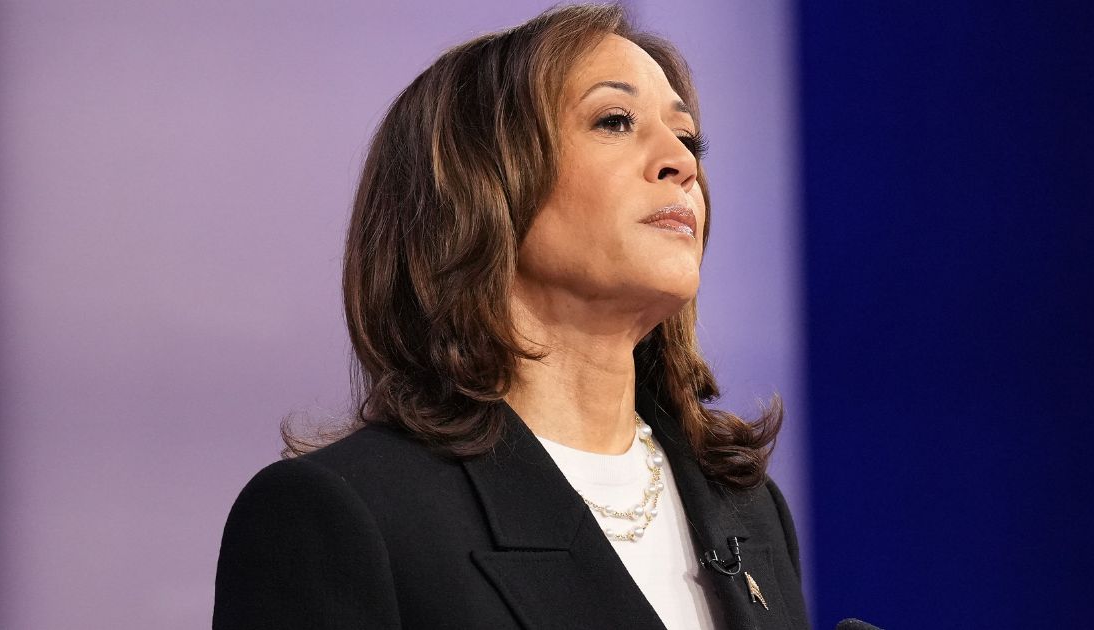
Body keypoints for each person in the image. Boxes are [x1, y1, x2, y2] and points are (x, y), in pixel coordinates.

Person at [213, 4, 809, 629]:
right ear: (478, 189)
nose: (682, 164)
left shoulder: (750, 511)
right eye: (614, 120)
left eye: (690, 139)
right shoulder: (341, 514)